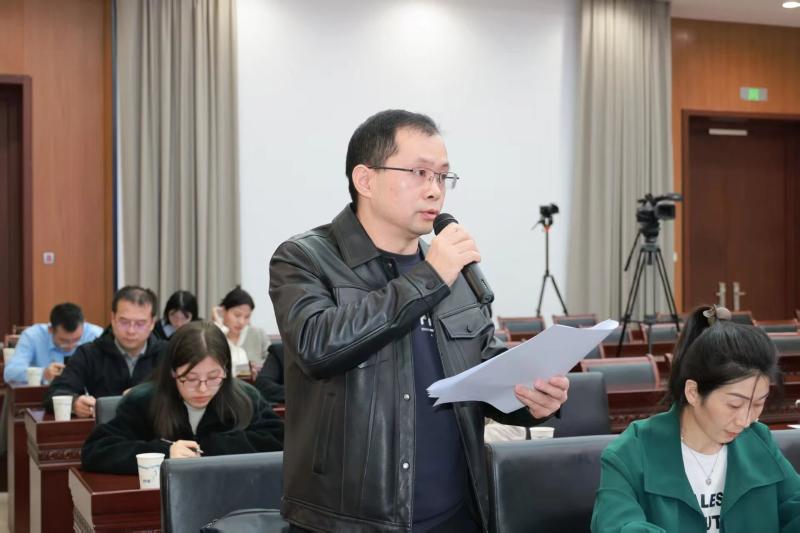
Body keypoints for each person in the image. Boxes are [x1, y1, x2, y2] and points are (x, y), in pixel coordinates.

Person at [269, 109, 569, 532]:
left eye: (442, 176)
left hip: (458, 515)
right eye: (419, 173)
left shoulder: (451, 269)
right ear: (365, 180)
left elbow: (480, 374)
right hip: (350, 521)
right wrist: (430, 278)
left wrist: (532, 400)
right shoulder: (305, 258)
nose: (435, 190)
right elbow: (317, 347)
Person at [591, 305, 800, 533]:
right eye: (734, 405)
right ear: (693, 392)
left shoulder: (758, 440)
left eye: (758, 404)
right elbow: (618, 525)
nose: (745, 420)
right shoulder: (632, 451)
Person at [80, 321, 284, 473]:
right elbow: (96, 450)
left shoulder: (245, 397)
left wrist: (214, 447)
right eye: (191, 378)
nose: (203, 389)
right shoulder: (144, 400)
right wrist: (165, 453)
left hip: (232, 498)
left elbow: (281, 440)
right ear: (172, 372)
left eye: (213, 377)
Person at [44, 286, 167, 418]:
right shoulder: (89, 353)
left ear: (152, 323)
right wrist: (74, 403)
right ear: (113, 318)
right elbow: (55, 393)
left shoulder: (168, 353)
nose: (131, 331)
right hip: (103, 428)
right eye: (124, 322)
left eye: (140, 324)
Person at [3, 303, 102, 383]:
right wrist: (43, 374)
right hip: (42, 396)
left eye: (76, 339)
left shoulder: (96, 335)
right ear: (50, 329)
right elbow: (10, 373)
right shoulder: (32, 336)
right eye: (64, 341)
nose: (71, 346)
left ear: (83, 325)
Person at [211, 286, 271, 367]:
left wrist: (258, 368)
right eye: (237, 315)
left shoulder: (258, 334)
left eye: (247, 317)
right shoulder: (213, 335)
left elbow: (273, 362)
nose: (241, 322)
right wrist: (220, 328)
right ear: (224, 311)